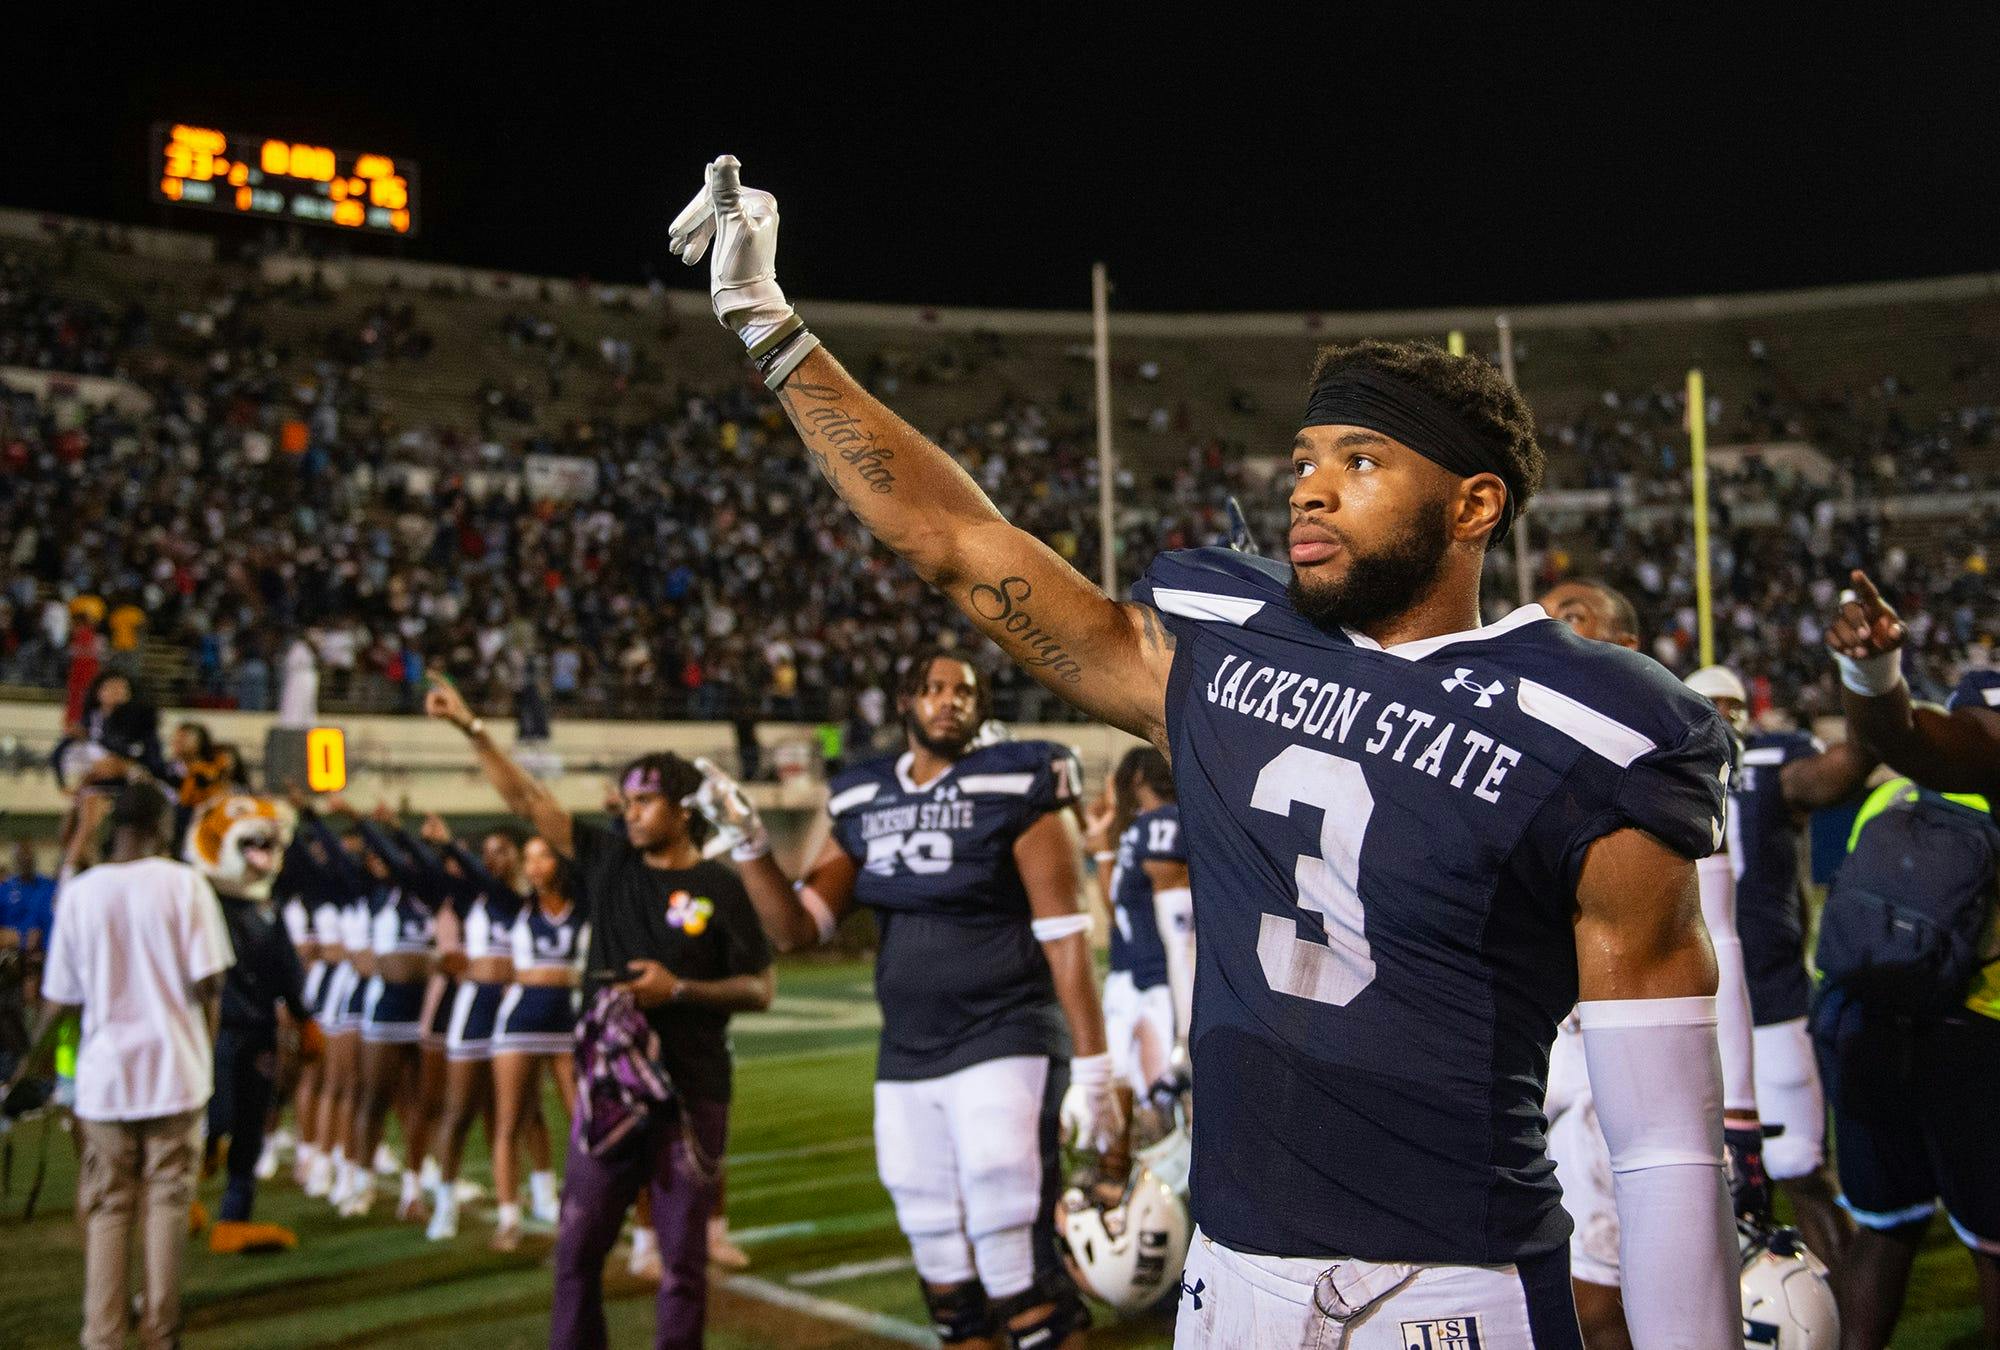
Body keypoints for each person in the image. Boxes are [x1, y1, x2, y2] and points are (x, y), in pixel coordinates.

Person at [672, 156, 1741, 1347]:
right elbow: (955, 541)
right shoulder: (1220, 648)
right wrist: (769, 327)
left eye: (1361, 461)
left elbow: (1662, 1144)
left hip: (1459, 1285)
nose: (1310, 491)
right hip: (1228, 1275)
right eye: (1303, 461)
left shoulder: (1594, 726)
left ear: (1473, 508)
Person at [718, 648, 1115, 1350]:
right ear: (906, 702)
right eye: (932, 688)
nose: (948, 700)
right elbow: (798, 928)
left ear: (981, 707)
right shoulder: (864, 796)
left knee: (1014, 1263)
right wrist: (748, 842)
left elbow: (1064, 936)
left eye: (964, 691)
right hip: (907, 1052)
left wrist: (1094, 1071)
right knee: (943, 1271)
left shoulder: (1018, 778)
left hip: (1006, 1035)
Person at [424, 675, 774, 1350]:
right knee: (576, 1254)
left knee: (683, 1268)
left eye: (646, 801)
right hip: (608, 1094)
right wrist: (470, 727)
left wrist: (678, 990)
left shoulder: (721, 889)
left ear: (681, 810)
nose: (630, 811)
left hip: (691, 1095)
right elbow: (527, 799)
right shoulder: (609, 861)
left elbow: (760, 989)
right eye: (629, 799)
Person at [38, 782, 234, 1350]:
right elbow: (211, 982)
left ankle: (102, 1337)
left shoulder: (81, 892)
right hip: (176, 1072)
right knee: (167, 1206)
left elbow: (62, 999)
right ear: (162, 827)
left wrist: (38, 1065)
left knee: (107, 1212)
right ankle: (160, 1333)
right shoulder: (185, 884)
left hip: (106, 1080)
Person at [1720, 691, 1875, 1273]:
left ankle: (1838, 1312)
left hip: (1758, 1003)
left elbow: (1848, 764)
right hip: (1713, 1007)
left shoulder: (1760, 768)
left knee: (1798, 1170)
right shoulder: (1761, 771)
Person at [184, 792, 320, 1253]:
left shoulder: (267, 908)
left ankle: (234, 1218)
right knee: (212, 1117)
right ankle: (179, 1199)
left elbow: (286, 969)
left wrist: (304, 1020)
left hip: (259, 1029)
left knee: (249, 1125)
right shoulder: (196, 901)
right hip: (212, 1029)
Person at [1084, 747, 1189, 1108]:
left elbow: (1183, 934)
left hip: (1162, 981)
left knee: (1161, 1101)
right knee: (1124, 1094)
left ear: (1140, 778)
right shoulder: (1136, 829)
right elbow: (1117, 909)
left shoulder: (1164, 823)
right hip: (1135, 972)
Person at [489, 834, 581, 1249]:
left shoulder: (585, 906)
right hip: (520, 1023)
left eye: (544, 856)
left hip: (567, 1024)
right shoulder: (517, 906)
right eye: (528, 859)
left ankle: (580, 1206)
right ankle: (509, 1217)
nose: (534, 866)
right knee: (510, 1122)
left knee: (585, 1124)